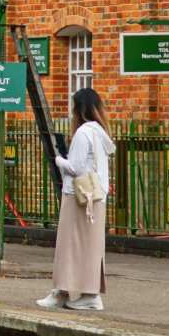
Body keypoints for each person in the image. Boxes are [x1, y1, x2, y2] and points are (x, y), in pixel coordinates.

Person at [38, 87, 115, 311]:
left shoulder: (83, 133)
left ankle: (61, 291)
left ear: (78, 110)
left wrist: (58, 160)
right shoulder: (100, 133)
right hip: (96, 196)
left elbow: (76, 167)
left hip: (77, 196)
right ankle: (89, 293)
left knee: (67, 246)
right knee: (91, 248)